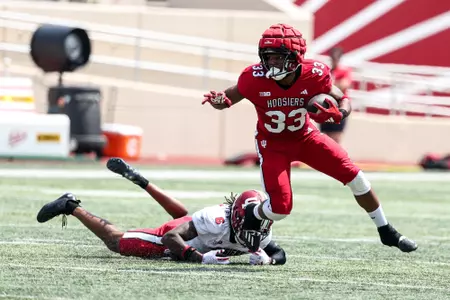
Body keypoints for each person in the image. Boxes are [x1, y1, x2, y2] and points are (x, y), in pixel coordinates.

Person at [202, 23, 417, 253]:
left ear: (295, 57)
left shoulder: (315, 74)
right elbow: (228, 98)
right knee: (280, 209)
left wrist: (339, 113)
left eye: (277, 58)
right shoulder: (253, 77)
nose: (271, 63)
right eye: (268, 57)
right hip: (273, 145)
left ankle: (385, 230)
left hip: (306, 137)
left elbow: (343, 98)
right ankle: (253, 214)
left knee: (357, 177)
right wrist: (219, 101)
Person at [36, 158, 286, 265]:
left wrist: (269, 261)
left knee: (188, 218)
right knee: (116, 243)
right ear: (237, 218)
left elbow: (279, 253)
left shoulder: (261, 230)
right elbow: (171, 238)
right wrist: (198, 258)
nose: (255, 235)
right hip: (181, 239)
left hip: (197, 231)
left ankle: (141, 181)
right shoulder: (217, 220)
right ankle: (71, 206)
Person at [319, 47, 352, 144]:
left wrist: (330, 85)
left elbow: (344, 85)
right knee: (325, 136)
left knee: (336, 136)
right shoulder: (327, 71)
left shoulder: (344, 71)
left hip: (339, 106)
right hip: (326, 106)